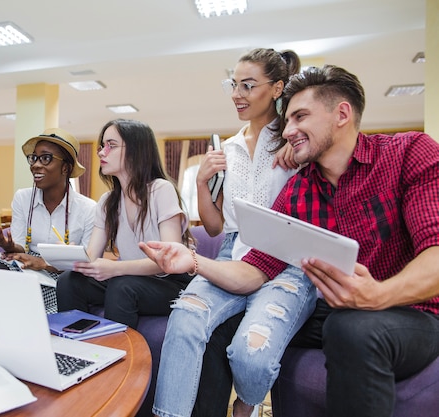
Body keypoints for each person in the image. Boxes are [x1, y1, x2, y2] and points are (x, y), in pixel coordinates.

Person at [141, 64, 439, 417]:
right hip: (333, 309)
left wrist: (376, 296)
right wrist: (192, 261)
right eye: (288, 120)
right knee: (229, 330)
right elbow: (256, 270)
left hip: (408, 311)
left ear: (342, 114)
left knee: (351, 327)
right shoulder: (299, 188)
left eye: (300, 117)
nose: (289, 130)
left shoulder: (407, 152)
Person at [152, 48, 315, 417]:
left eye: (247, 85)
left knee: (251, 355)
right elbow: (214, 226)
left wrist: (299, 145)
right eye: (233, 84)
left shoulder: (298, 143)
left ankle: (246, 405)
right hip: (232, 254)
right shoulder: (228, 148)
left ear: (276, 89)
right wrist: (202, 183)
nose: (236, 94)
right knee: (185, 318)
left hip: (287, 265)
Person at [56, 118, 192, 329]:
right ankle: (76, 347)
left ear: (136, 150)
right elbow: (92, 256)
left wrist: (115, 268)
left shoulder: (160, 190)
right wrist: (73, 258)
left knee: (122, 285)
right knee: (69, 281)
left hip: (169, 282)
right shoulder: (107, 202)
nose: (102, 152)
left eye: (111, 145)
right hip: (129, 278)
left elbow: (169, 260)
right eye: (102, 146)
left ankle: (120, 358)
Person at [0, 128, 96, 313]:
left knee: (38, 296)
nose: (35, 165)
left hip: (65, 274)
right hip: (26, 266)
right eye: (34, 158)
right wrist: (8, 245)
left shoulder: (89, 209)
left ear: (66, 168)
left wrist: (45, 264)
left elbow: (86, 264)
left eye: (45, 158)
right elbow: (21, 246)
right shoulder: (22, 198)